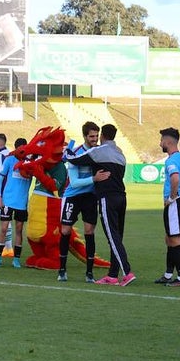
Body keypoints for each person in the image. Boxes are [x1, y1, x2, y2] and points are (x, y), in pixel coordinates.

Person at [66, 123, 134, 286]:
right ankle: (112, 275)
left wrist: (67, 150)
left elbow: (73, 160)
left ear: (102, 136)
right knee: (117, 236)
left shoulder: (99, 151)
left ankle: (127, 272)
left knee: (112, 237)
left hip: (107, 198)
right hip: (121, 198)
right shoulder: (120, 154)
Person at [58, 122, 100, 283]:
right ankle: (62, 270)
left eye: (96, 136)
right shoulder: (75, 154)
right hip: (72, 196)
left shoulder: (99, 152)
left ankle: (89, 273)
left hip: (90, 197)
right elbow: (74, 182)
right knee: (66, 231)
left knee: (89, 232)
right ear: (85, 136)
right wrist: (94, 179)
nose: (94, 139)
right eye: (91, 136)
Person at [154, 128, 180, 287]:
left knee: (175, 240)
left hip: (175, 204)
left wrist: (172, 198)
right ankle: (168, 274)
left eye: (162, 140)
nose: (160, 143)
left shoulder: (170, 161)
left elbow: (175, 178)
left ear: (168, 142)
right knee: (169, 238)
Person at [0, 137, 31, 269]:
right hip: (8, 200)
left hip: (22, 202)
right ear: (16, 149)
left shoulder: (30, 162)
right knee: (3, 228)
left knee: (19, 230)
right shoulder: (9, 160)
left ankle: (16, 259)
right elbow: (0, 178)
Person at [0, 133, 14, 257]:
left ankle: (8, 247)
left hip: (4, 193)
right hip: (9, 192)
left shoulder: (1, 156)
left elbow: (2, 176)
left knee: (5, 220)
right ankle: (8, 247)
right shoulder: (8, 154)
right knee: (7, 219)